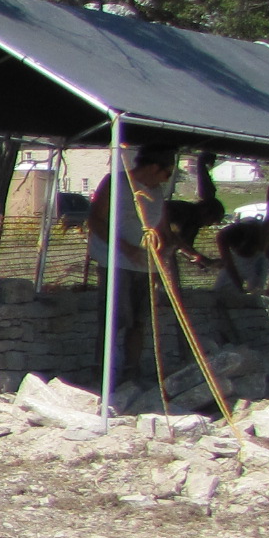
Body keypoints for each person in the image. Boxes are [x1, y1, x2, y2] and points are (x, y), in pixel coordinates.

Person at [86, 145, 178, 386]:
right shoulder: (115, 183)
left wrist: (166, 247)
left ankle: (131, 372)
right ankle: (103, 371)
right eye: (167, 173)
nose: (167, 179)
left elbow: (161, 228)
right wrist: (125, 247)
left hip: (145, 266)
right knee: (115, 318)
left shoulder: (156, 192)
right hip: (116, 262)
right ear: (152, 167)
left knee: (139, 321)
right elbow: (95, 219)